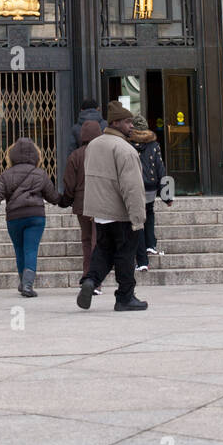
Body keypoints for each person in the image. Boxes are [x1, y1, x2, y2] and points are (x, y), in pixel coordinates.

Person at [76, 100, 147, 312]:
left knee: (103, 251)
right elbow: (132, 187)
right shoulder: (125, 150)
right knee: (125, 254)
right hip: (121, 212)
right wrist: (138, 218)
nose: (132, 126)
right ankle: (125, 296)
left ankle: (91, 280)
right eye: (127, 122)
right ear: (115, 123)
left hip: (100, 212)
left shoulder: (94, 145)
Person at [0, 138, 60, 298]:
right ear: (36, 155)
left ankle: (23, 283)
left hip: (14, 217)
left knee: (19, 249)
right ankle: (27, 284)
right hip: (35, 216)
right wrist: (67, 199)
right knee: (31, 249)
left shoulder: (6, 175)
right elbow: (54, 197)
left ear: (12, 156)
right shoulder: (40, 174)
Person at [59, 119, 102, 282]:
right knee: (96, 239)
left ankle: (87, 274)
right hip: (100, 201)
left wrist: (66, 200)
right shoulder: (103, 153)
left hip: (82, 203)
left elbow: (68, 183)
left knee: (86, 239)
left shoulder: (75, 155)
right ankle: (95, 278)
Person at [129, 115, 171, 270]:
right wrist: (167, 196)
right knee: (149, 212)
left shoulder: (128, 144)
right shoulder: (154, 144)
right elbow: (161, 168)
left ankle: (141, 257)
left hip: (135, 186)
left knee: (138, 220)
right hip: (151, 186)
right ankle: (151, 245)